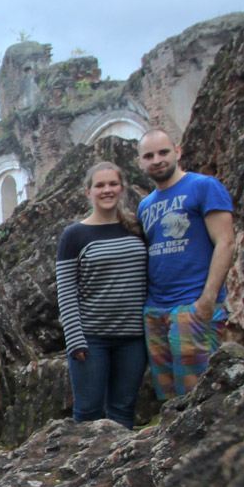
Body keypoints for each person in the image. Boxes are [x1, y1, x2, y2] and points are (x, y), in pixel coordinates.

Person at [136, 129, 236, 401]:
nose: (157, 160)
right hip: (156, 310)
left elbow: (225, 242)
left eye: (163, 152)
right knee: (169, 399)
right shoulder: (145, 206)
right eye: (149, 156)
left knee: (200, 396)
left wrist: (207, 300)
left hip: (193, 304)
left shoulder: (204, 187)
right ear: (140, 163)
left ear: (177, 152)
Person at [56, 162, 149, 429]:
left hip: (133, 340)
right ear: (88, 191)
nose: (106, 190)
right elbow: (66, 291)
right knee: (87, 414)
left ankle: (116, 469)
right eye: (100, 185)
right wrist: (75, 340)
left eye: (112, 184)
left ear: (122, 188)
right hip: (91, 340)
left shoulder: (137, 229)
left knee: (123, 412)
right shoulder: (74, 236)